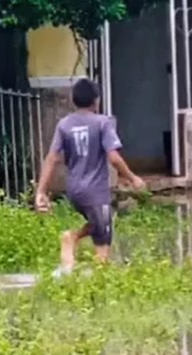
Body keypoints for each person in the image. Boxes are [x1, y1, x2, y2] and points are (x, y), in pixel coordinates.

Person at [35, 78, 146, 276]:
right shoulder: (102, 123)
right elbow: (113, 157)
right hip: (96, 192)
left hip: (75, 190)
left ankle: (73, 238)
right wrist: (132, 177)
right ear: (96, 100)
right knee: (103, 242)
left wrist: (41, 191)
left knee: (98, 224)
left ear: (73, 100)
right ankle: (97, 280)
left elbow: (52, 158)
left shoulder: (64, 125)